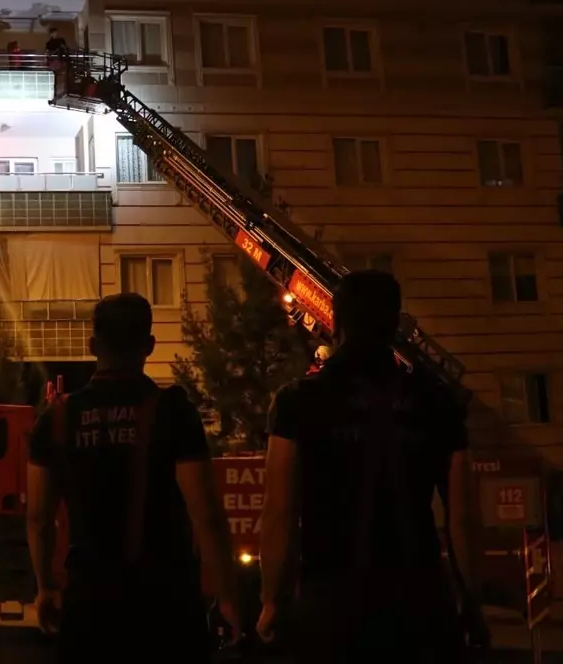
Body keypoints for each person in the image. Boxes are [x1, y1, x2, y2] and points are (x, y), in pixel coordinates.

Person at [257, 270, 470, 663]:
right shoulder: (436, 401)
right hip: (418, 599)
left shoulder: (298, 401)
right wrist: (470, 601)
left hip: (331, 600)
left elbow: (279, 512)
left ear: (336, 322)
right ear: (396, 324)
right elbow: (462, 517)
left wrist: (273, 600)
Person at [26, 293, 242, 664]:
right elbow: (206, 513)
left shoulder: (57, 417)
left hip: (89, 603)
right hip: (165, 605)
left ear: (93, 345)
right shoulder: (173, 411)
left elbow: (38, 517)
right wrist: (228, 597)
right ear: (149, 346)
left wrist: (46, 585)